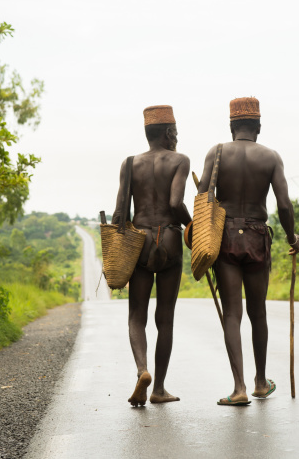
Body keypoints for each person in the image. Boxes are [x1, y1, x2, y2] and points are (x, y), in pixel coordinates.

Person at [197, 97, 299, 406]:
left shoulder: (216, 153)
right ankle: (260, 382)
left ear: (232, 127)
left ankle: (238, 388)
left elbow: (203, 197)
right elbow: (284, 204)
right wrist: (291, 236)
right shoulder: (270, 157)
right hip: (257, 236)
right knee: (258, 312)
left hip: (225, 237)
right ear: (258, 126)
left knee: (233, 313)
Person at [112, 105, 191, 406]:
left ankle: (141, 370)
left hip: (140, 241)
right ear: (169, 133)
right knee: (165, 319)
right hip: (170, 238)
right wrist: (194, 228)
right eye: (176, 133)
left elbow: (121, 213)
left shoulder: (130, 163)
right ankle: (158, 389)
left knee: (136, 315)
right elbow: (175, 202)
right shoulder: (180, 161)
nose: (177, 139)